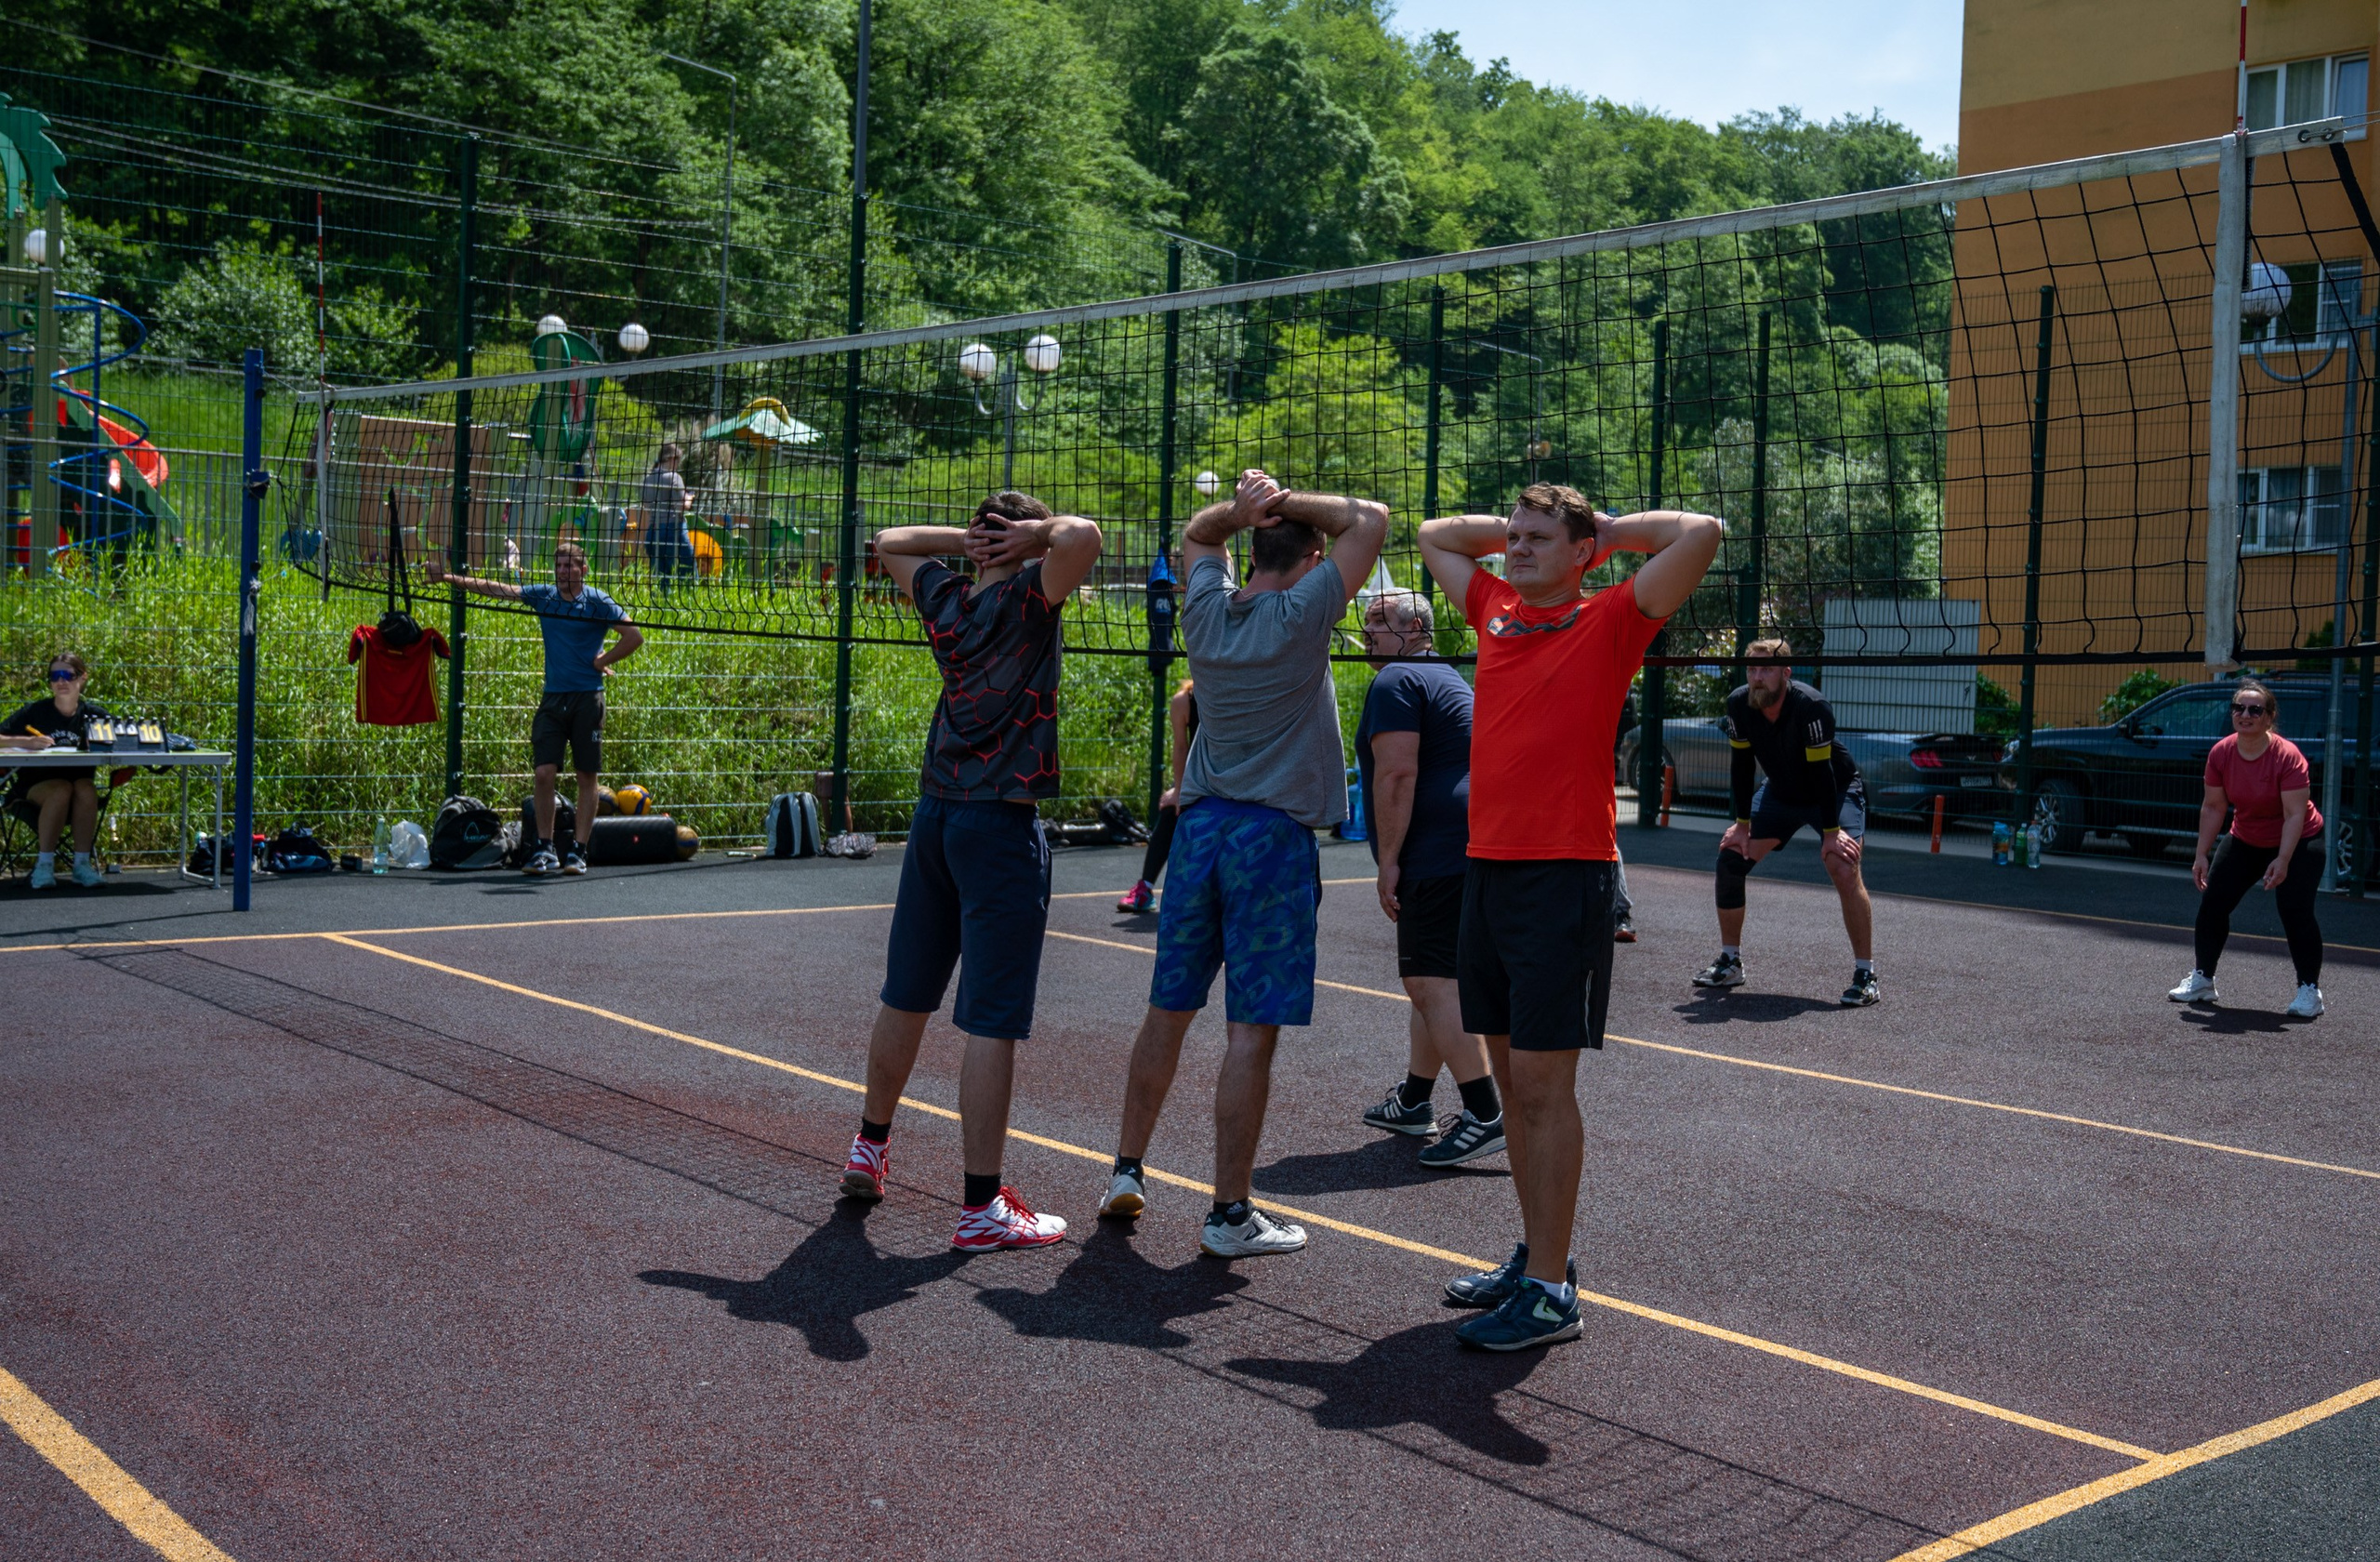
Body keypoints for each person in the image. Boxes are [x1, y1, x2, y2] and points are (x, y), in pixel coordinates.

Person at [1417, 483, 1721, 1350]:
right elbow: (1439, 534)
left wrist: (1607, 534)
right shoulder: (1496, 607)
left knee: (1546, 1092)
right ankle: (1537, 1256)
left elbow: (1702, 531)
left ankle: (1551, 1291)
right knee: (1514, 1091)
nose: (1512, 548)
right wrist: (1534, 534)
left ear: (1581, 552)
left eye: (1536, 538)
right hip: (1489, 874)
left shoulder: (1614, 617)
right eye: (1511, 535)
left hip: (1564, 878)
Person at [1099, 470, 1388, 1258]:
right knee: (1249, 1033)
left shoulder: (1207, 609)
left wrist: (1240, 509)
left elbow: (1198, 537)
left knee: (1169, 1009)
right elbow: (1374, 519)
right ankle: (1229, 1214)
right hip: (1270, 839)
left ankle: (1126, 1170)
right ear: (1313, 554)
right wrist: (1287, 501)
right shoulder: (1303, 613)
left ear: (1249, 547)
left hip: (1200, 833)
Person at [837, 491, 1104, 1251]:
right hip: (999, 823)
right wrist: (1024, 538)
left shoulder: (946, 599)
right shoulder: (1029, 596)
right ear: (1023, 544)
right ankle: (981, 1208)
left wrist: (975, 540)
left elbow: (889, 536)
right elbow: (1083, 536)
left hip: (937, 816)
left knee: (908, 993)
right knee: (990, 1020)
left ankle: (870, 1146)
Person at [1353, 587, 1505, 1168]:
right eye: (1366, 618)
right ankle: (1416, 1099)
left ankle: (1485, 1113)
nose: (1367, 628)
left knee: (1430, 984)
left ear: (1416, 628)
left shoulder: (1396, 680)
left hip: (1438, 852)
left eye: (1380, 620)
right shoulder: (1444, 676)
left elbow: (1396, 776)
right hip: (1470, 844)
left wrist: (1388, 860)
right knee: (1433, 976)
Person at [429, 542, 643, 876]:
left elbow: (634, 636)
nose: (562, 571)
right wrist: (447, 577)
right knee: (544, 773)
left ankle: (579, 852)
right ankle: (545, 850)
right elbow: (498, 589)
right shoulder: (545, 596)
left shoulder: (598, 602)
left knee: (587, 776)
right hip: (553, 699)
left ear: (583, 570)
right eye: (558, 565)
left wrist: (602, 660)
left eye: (570, 565)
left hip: (588, 698)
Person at [1690, 640, 1877, 1006]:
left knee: (1842, 864)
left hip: (1834, 790)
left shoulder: (1811, 706)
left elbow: (1822, 772)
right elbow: (1742, 768)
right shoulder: (1739, 705)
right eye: (1753, 670)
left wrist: (1829, 834)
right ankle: (1731, 961)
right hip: (1781, 793)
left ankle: (1865, 974)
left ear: (1786, 673)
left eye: (1767, 670)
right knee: (1731, 856)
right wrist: (1742, 824)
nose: (1758, 678)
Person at [2168, 677, 2325, 1018]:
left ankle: (2309, 991)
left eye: (2255, 709)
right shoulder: (2222, 752)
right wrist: (2201, 854)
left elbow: (2294, 813)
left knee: (2294, 910)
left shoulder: (2287, 756)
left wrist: (2283, 860)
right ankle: (2203, 980)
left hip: (2299, 839)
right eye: (2239, 708)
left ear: (2269, 717)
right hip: (2246, 837)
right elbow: (2213, 807)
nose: (2245, 714)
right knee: (2213, 904)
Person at [1, 653, 111, 889]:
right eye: (54, 676)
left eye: (68, 675)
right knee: (61, 789)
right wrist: (25, 741)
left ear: (82, 678)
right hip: (33, 789)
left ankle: (82, 866)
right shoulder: (36, 712)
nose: (61, 681)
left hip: (80, 789)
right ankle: (44, 866)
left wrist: (103, 743)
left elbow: (123, 742)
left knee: (85, 787)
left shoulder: (95, 715)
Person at [1117, 679, 1196, 914]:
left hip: (1229, 777)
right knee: (1171, 807)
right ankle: (1145, 889)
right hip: (1198, 778)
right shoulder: (1184, 700)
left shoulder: (1232, 692)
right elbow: (1181, 747)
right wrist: (1180, 790)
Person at [641, 443, 695, 585]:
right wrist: (689, 498)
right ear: (671, 459)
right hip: (673, 530)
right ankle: (688, 595)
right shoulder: (674, 478)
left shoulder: (647, 480)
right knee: (688, 564)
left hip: (653, 531)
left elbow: (647, 506)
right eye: (677, 461)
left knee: (661, 577)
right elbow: (681, 508)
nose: (678, 465)